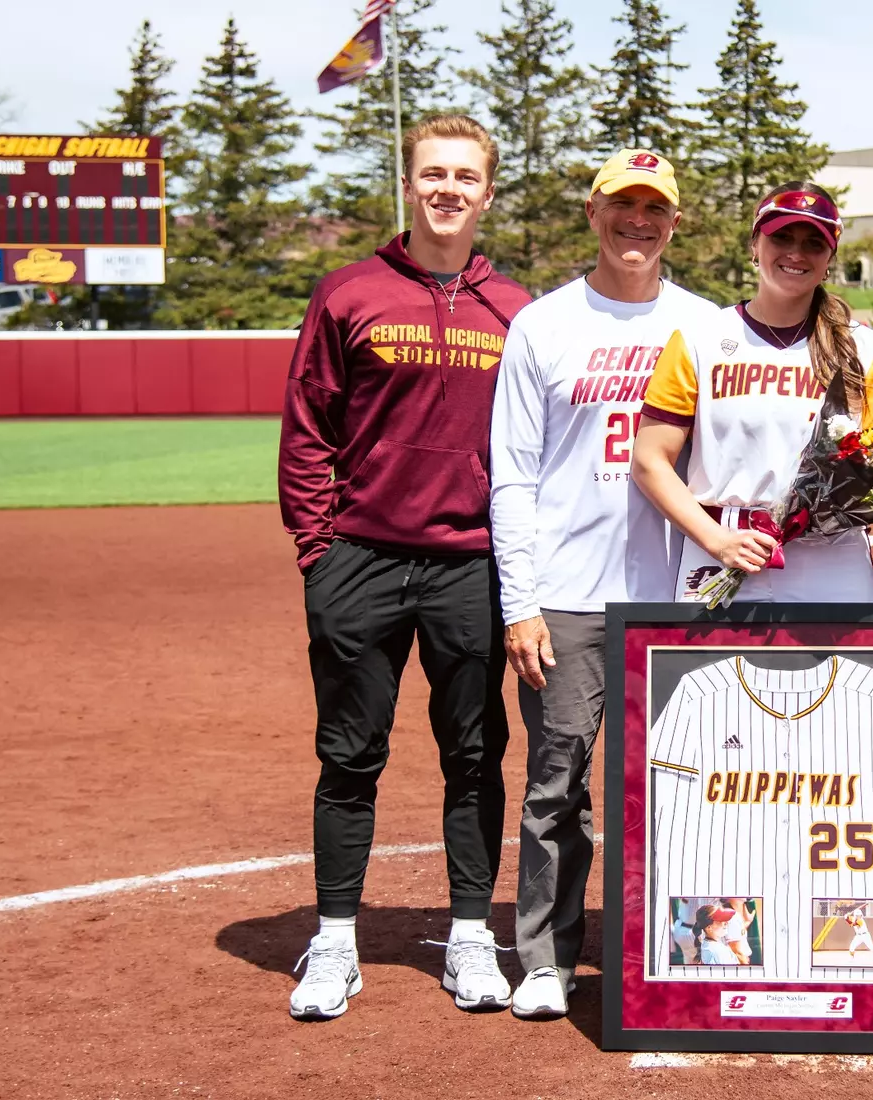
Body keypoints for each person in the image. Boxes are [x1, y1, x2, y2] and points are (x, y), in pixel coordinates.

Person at [278, 115, 531, 1020]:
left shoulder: (518, 311)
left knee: (475, 755)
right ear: (409, 183)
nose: (447, 189)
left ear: (487, 192)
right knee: (350, 754)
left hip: (470, 564)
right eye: (433, 173)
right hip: (362, 558)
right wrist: (319, 553)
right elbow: (307, 426)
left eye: (465, 176)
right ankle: (334, 941)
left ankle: (470, 937)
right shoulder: (349, 293)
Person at [489, 148, 718, 1020]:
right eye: (623, 203)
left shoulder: (706, 326)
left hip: (680, 594)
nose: (638, 221)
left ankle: (681, 950)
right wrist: (521, 603)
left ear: (675, 223)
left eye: (654, 208)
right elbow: (512, 475)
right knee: (558, 783)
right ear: (593, 212)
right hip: (569, 594)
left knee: (687, 782)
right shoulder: (542, 325)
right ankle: (546, 959)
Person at [629, 181, 873, 627]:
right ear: (755, 245)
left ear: (829, 259)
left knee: (833, 676)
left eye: (813, 243)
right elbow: (649, 460)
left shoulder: (864, 349)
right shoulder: (699, 340)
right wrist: (716, 539)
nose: (796, 253)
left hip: (832, 559)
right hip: (720, 550)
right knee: (710, 675)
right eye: (781, 237)